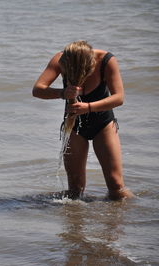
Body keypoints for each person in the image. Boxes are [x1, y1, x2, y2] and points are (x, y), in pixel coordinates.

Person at [32, 40, 134, 200]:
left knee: (115, 186)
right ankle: (74, 222)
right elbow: (38, 89)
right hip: (73, 125)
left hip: (103, 124)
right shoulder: (61, 59)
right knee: (75, 190)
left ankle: (126, 218)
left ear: (91, 63)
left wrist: (88, 107)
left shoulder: (106, 60)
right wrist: (62, 93)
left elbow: (119, 98)